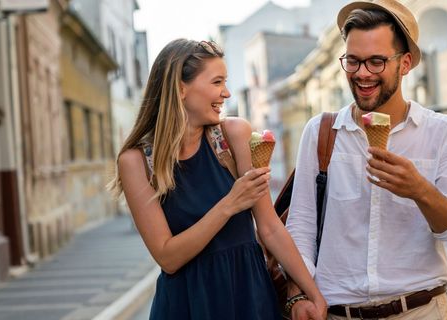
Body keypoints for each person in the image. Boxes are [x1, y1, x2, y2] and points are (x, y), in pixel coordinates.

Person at [285, 1, 447, 319]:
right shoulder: (321, 132)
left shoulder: (444, 133)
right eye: (353, 61)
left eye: (376, 62)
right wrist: (298, 294)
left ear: (404, 64)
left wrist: (420, 190)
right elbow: (301, 227)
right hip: (337, 312)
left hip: (420, 311)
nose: (362, 74)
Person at [108, 38, 326, 320]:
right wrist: (230, 204)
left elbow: (270, 228)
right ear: (180, 87)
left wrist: (313, 293)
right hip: (186, 305)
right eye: (217, 82)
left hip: (250, 298)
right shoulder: (136, 162)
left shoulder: (233, 136)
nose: (226, 93)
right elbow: (167, 257)